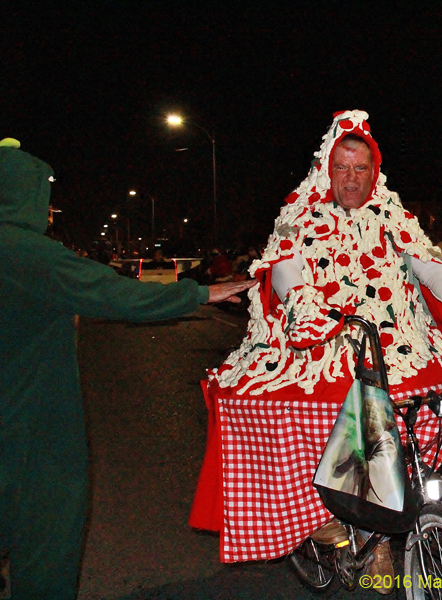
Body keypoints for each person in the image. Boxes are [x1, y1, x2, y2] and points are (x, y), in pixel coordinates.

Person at [186, 111, 442, 594]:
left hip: (393, 346)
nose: (352, 179)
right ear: (327, 168)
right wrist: (304, 306)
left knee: (411, 418)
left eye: (361, 168)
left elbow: (427, 264)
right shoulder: (302, 214)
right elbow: (283, 267)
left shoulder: (392, 213)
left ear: (373, 171)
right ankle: (314, 518)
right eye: (342, 168)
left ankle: (384, 525)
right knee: (309, 416)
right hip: (319, 345)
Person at [0, 137, 256, 600]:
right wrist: (199, 293)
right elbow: (119, 295)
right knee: (44, 548)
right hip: (32, 438)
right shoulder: (31, 255)